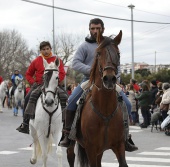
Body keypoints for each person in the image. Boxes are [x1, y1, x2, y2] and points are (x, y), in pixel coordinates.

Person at [59, 18, 138, 152]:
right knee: (71, 101)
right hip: (88, 80)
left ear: (103, 29)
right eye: (93, 28)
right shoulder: (84, 46)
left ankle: (125, 136)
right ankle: (68, 135)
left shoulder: (110, 44)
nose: (95, 31)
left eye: (98, 28)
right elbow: (76, 63)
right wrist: (93, 71)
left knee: (128, 104)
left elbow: (116, 64)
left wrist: (115, 76)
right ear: (89, 29)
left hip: (109, 80)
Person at [16, 41, 66, 134]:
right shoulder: (36, 61)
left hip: (54, 84)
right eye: (43, 49)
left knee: (66, 97)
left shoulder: (57, 60)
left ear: (51, 49)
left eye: (47, 49)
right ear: (40, 50)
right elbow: (28, 74)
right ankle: (25, 123)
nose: (46, 51)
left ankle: (66, 124)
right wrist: (32, 82)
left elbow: (62, 72)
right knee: (28, 98)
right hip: (39, 84)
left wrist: (56, 81)